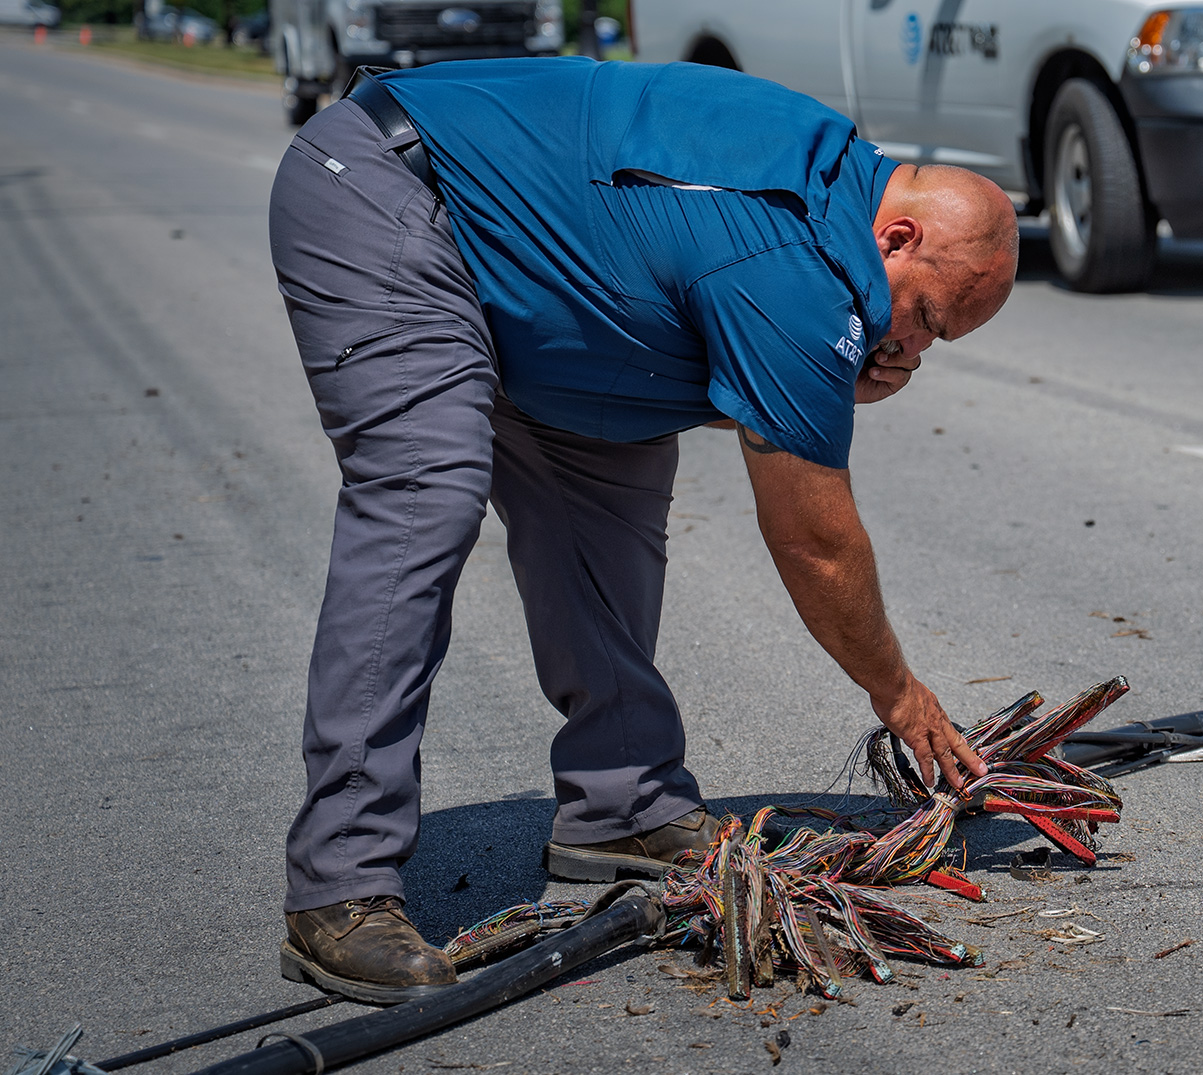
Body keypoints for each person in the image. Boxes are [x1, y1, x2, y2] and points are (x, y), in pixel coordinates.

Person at [267, 57, 1018, 1003]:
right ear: (898, 237)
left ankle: (622, 805)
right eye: (925, 321)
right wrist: (899, 695)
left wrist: (817, 373)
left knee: (614, 486)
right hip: (389, 196)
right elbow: (813, 539)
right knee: (428, 491)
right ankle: (339, 885)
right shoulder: (794, 262)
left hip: (537, 274)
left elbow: (684, 280)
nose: (910, 351)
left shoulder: (833, 198)